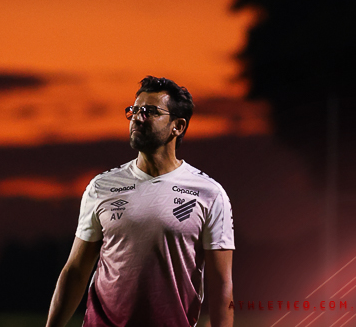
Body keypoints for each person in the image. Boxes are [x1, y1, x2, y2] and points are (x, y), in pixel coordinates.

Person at [46, 76, 234, 327]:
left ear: (178, 126)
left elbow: (221, 286)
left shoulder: (210, 193)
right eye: (134, 110)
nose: (137, 117)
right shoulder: (101, 187)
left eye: (150, 111)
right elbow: (76, 271)